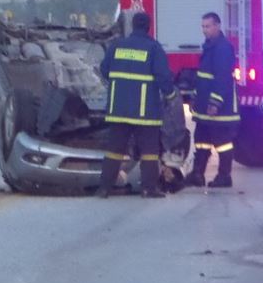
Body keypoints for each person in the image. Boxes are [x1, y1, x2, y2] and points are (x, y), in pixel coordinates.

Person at [96, 11, 177, 199]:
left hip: (118, 108)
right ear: (148, 27)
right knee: (149, 151)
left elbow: (104, 69)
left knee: (114, 150)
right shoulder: (153, 48)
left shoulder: (117, 45)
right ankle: (149, 189)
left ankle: (104, 188)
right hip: (145, 111)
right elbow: (163, 76)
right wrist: (171, 95)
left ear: (133, 26)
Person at [187, 12, 240, 188]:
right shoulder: (209, 47)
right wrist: (195, 97)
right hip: (204, 107)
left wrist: (215, 103)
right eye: (203, 26)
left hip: (220, 109)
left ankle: (224, 177)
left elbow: (222, 78)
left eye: (208, 26)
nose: (204, 30)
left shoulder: (223, 48)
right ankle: (197, 174)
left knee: (222, 142)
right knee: (201, 140)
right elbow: (203, 77)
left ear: (217, 26)